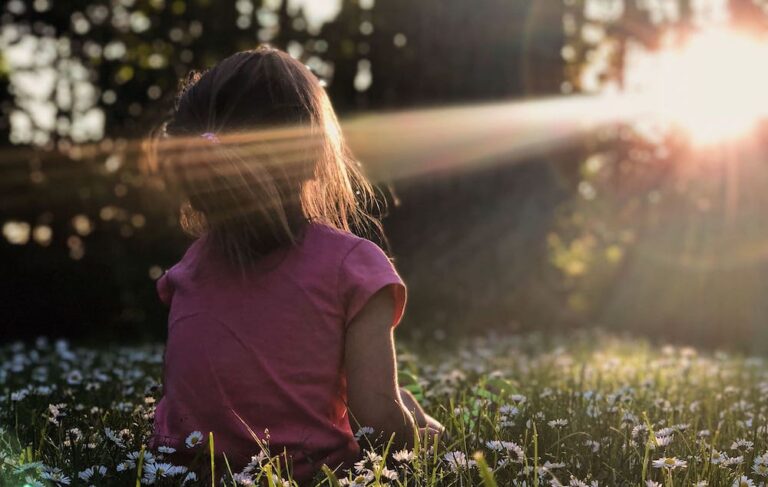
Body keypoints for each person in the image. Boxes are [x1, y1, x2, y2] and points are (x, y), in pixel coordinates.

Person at [145, 45, 443, 483]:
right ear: (311, 155)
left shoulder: (188, 271)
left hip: (182, 475)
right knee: (403, 408)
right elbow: (377, 422)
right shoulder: (353, 267)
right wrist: (425, 437)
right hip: (307, 477)